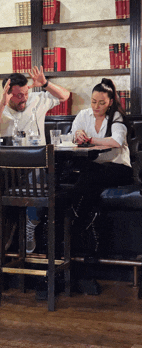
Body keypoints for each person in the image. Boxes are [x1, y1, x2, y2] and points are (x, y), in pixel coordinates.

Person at [0, 65, 70, 253]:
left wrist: (45, 83)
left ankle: (30, 225)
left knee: (40, 178)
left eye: (24, 93)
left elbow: (64, 96)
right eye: (18, 95)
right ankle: (3, 231)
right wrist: (2, 104)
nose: (23, 98)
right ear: (7, 94)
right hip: (7, 168)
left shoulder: (37, 99)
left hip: (36, 164)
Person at [69, 78, 133, 268]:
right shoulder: (83, 114)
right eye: (93, 101)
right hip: (95, 168)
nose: (97, 106)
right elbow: (73, 136)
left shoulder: (116, 117)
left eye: (102, 103)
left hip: (119, 168)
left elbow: (116, 141)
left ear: (110, 102)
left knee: (88, 175)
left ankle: (73, 225)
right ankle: (89, 241)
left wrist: (90, 140)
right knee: (89, 180)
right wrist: (78, 135)